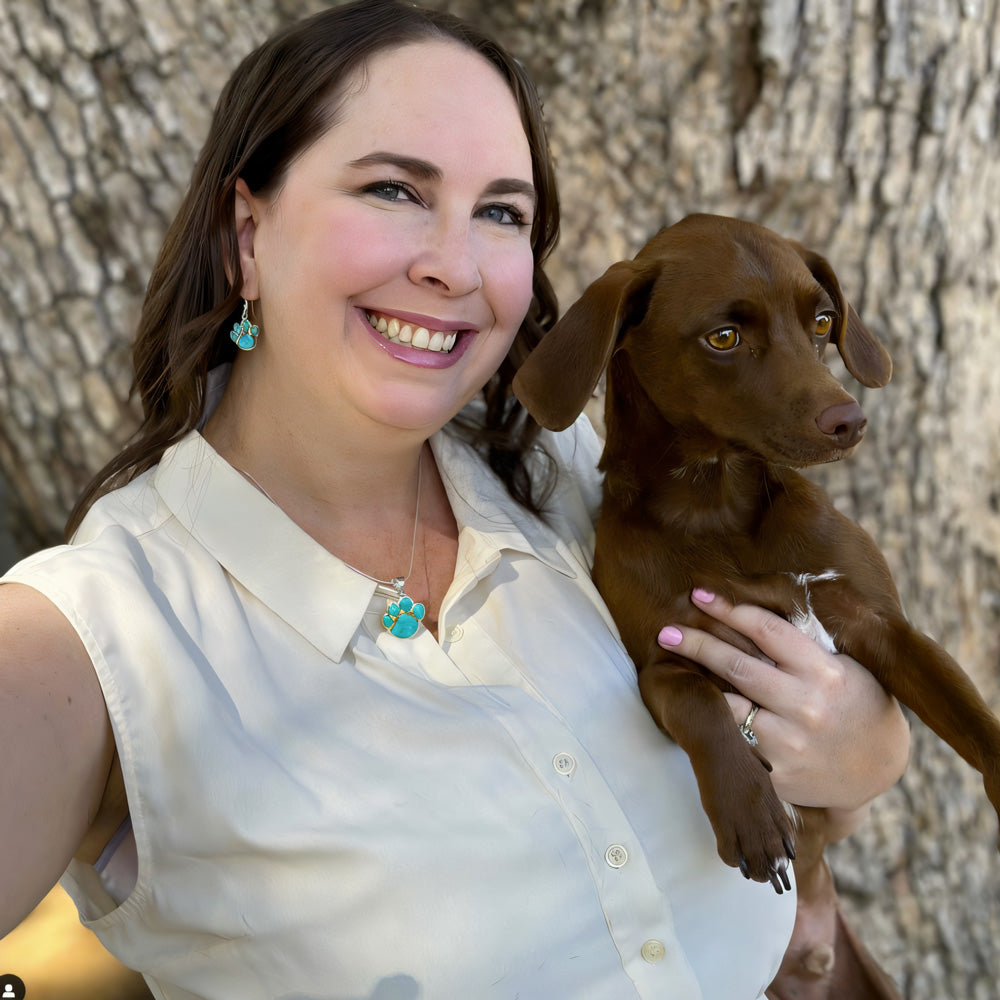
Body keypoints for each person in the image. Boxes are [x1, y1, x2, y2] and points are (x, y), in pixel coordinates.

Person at [0, 2, 909, 998]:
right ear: (246, 235)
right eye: (394, 189)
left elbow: (811, 745)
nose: (452, 263)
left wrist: (865, 750)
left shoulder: (574, 473)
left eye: (501, 213)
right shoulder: (94, 633)